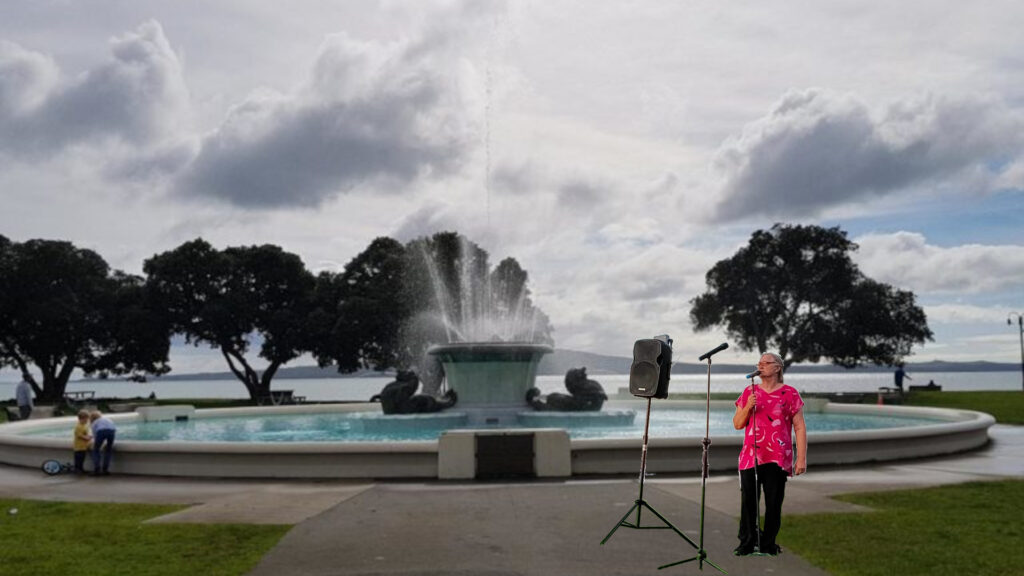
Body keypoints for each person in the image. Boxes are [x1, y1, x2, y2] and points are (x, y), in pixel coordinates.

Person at [732, 352, 807, 557]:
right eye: (759, 363)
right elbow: (738, 424)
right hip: (751, 456)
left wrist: (801, 458)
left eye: (767, 363)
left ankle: (768, 543)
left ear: (777, 368)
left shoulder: (790, 394)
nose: (761, 365)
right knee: (748, 502)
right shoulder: (749, 392)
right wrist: (748, 406)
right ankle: (746, 543)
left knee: (774, 503)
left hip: (777, 456)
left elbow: (799, 427)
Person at [89, 410, 116, 476]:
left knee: (96, 450)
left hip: (101, 431)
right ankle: (105, 470)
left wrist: (97, 444)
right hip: (112, 431)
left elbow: (95, 435)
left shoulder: (94, 422)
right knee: (108, 450)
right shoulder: (107, 419)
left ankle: (97, 470)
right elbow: (113, 428)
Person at [72, 409, 93, 474]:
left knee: (82, 459)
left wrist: (89, 436)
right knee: (78, 459)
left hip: (83, 446)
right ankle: (77, 469)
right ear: (82, 419)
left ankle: (81, 469)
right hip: (79, 447)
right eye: (86, 419)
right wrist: (88, 438)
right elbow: (79, 436)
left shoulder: (84, 425)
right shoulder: (78, 426)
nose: (87, 421)